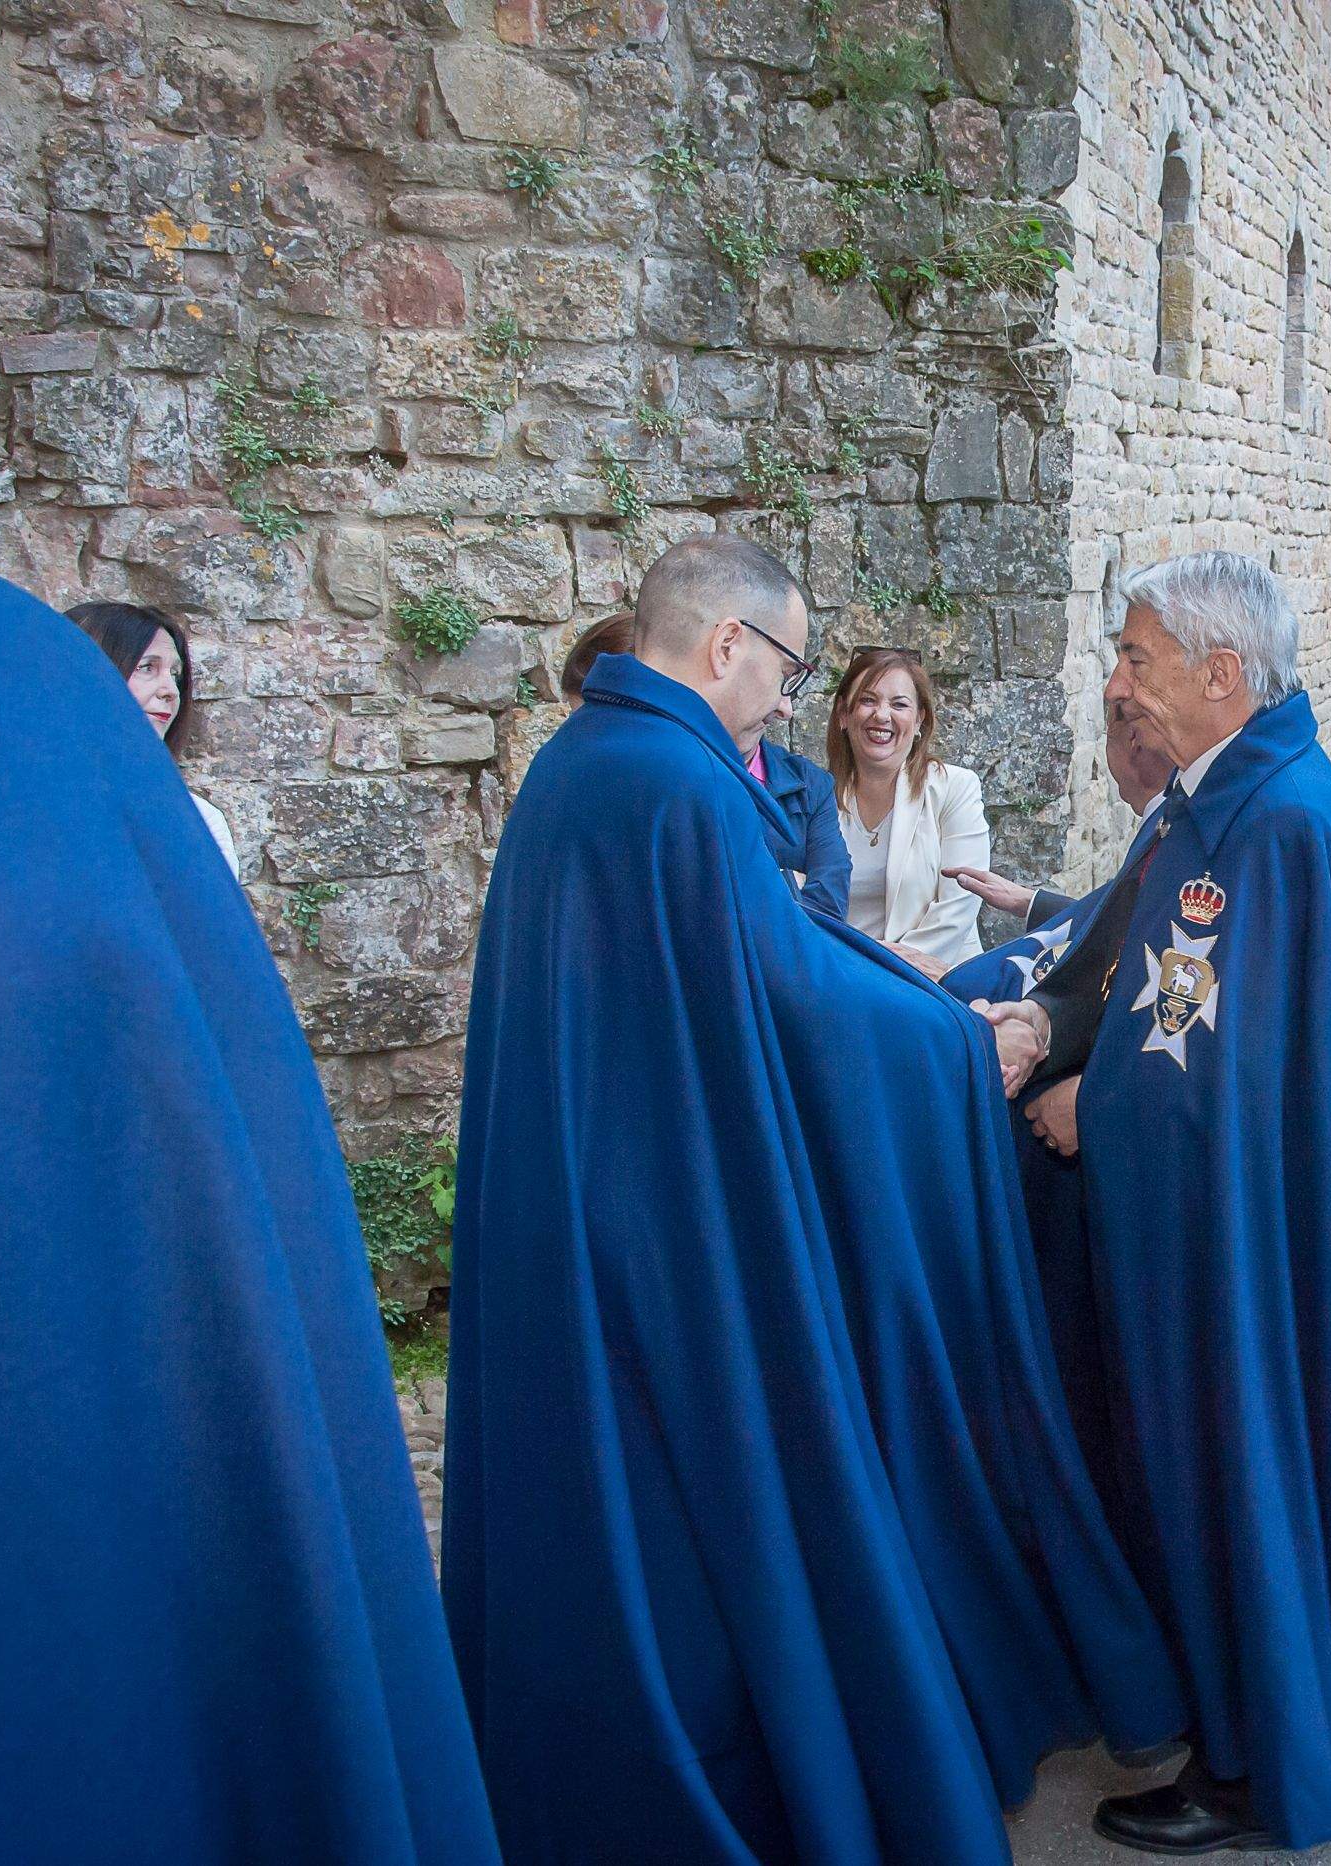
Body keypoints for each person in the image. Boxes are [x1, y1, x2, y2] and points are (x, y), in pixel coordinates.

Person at [0, 412, 499, 1861]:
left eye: (171, 674)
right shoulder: (22, 702)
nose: (156, 689)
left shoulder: (95, 757)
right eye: (140, 667)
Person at [441, 536, 1183, 1865]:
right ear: (726, 643)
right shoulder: (674, 782)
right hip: (667, 1231)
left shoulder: (584, 763)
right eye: (785, 667)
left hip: (592, 1202)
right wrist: (962, 1044)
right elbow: (784, 985)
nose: (791, 699)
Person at [1002, 551, 1331, 1854]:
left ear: (1224, 676)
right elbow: (1175, 1004)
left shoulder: (1258, 822)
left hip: (1227, 1249)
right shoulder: (1249, 799)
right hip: (1239, 1226)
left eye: (1138, 660)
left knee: (1232, 1478)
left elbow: (1184, 1056)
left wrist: (1075, 1101)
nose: (1120, 684)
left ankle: (1245, 1766)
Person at [564, 615, 850, 916]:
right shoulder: (598, 787)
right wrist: (788, 883)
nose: (785, 708)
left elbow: (828, 911)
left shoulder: (807, 785)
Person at [943, 704, 1177, 996]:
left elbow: (1131, 937)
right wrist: (1030, 901)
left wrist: (956, 976)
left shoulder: (1170, 832)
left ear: (1134, 741)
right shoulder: (1168, 819)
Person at [831, 646, 989, 971]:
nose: (882, 715)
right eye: (867, 700)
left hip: (939, 984)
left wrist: (888, 973)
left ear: (919, 720)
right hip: (847, 984)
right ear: (843, 715)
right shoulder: (818, 799)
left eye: (899, 704)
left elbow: (959, 906)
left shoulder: (954, 789)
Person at [68, 599, 239, 876]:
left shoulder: (198, 822)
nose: (170, 690)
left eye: (175, 675)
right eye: (147, 667)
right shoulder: (18, 800)